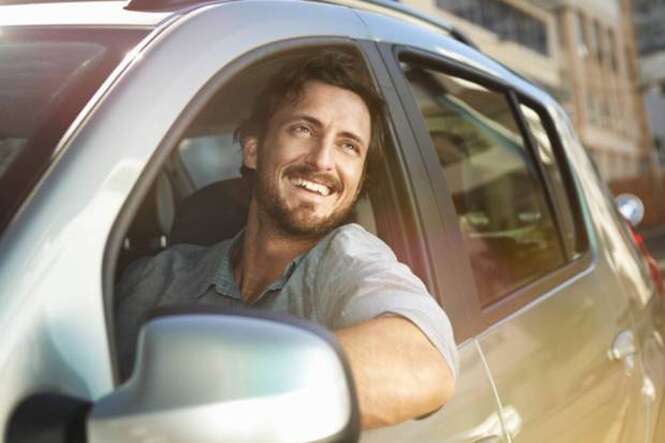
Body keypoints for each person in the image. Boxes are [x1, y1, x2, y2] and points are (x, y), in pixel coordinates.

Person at [115, 49, 458, 429]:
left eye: (349, 145)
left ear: (359, 179)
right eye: (304, 129)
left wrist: (205, 396)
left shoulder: (347, 260)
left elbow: (422, 365)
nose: (323, 161)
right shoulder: (160, 277)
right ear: (253, 149)